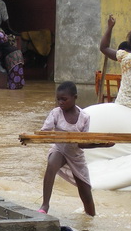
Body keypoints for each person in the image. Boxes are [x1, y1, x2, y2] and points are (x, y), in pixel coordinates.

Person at [38, 81, 98, 217]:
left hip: (76, 155)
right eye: (58, 99)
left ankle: (90, 217)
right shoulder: (56, 113)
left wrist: (100, 144)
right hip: (60, 148)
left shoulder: (84, 117)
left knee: (86, 192)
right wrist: (30, 139)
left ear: (75, 97)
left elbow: (82, 143)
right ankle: (45, 205)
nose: (60, 102)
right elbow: (44, 132)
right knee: (52, 163)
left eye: (64, 99)